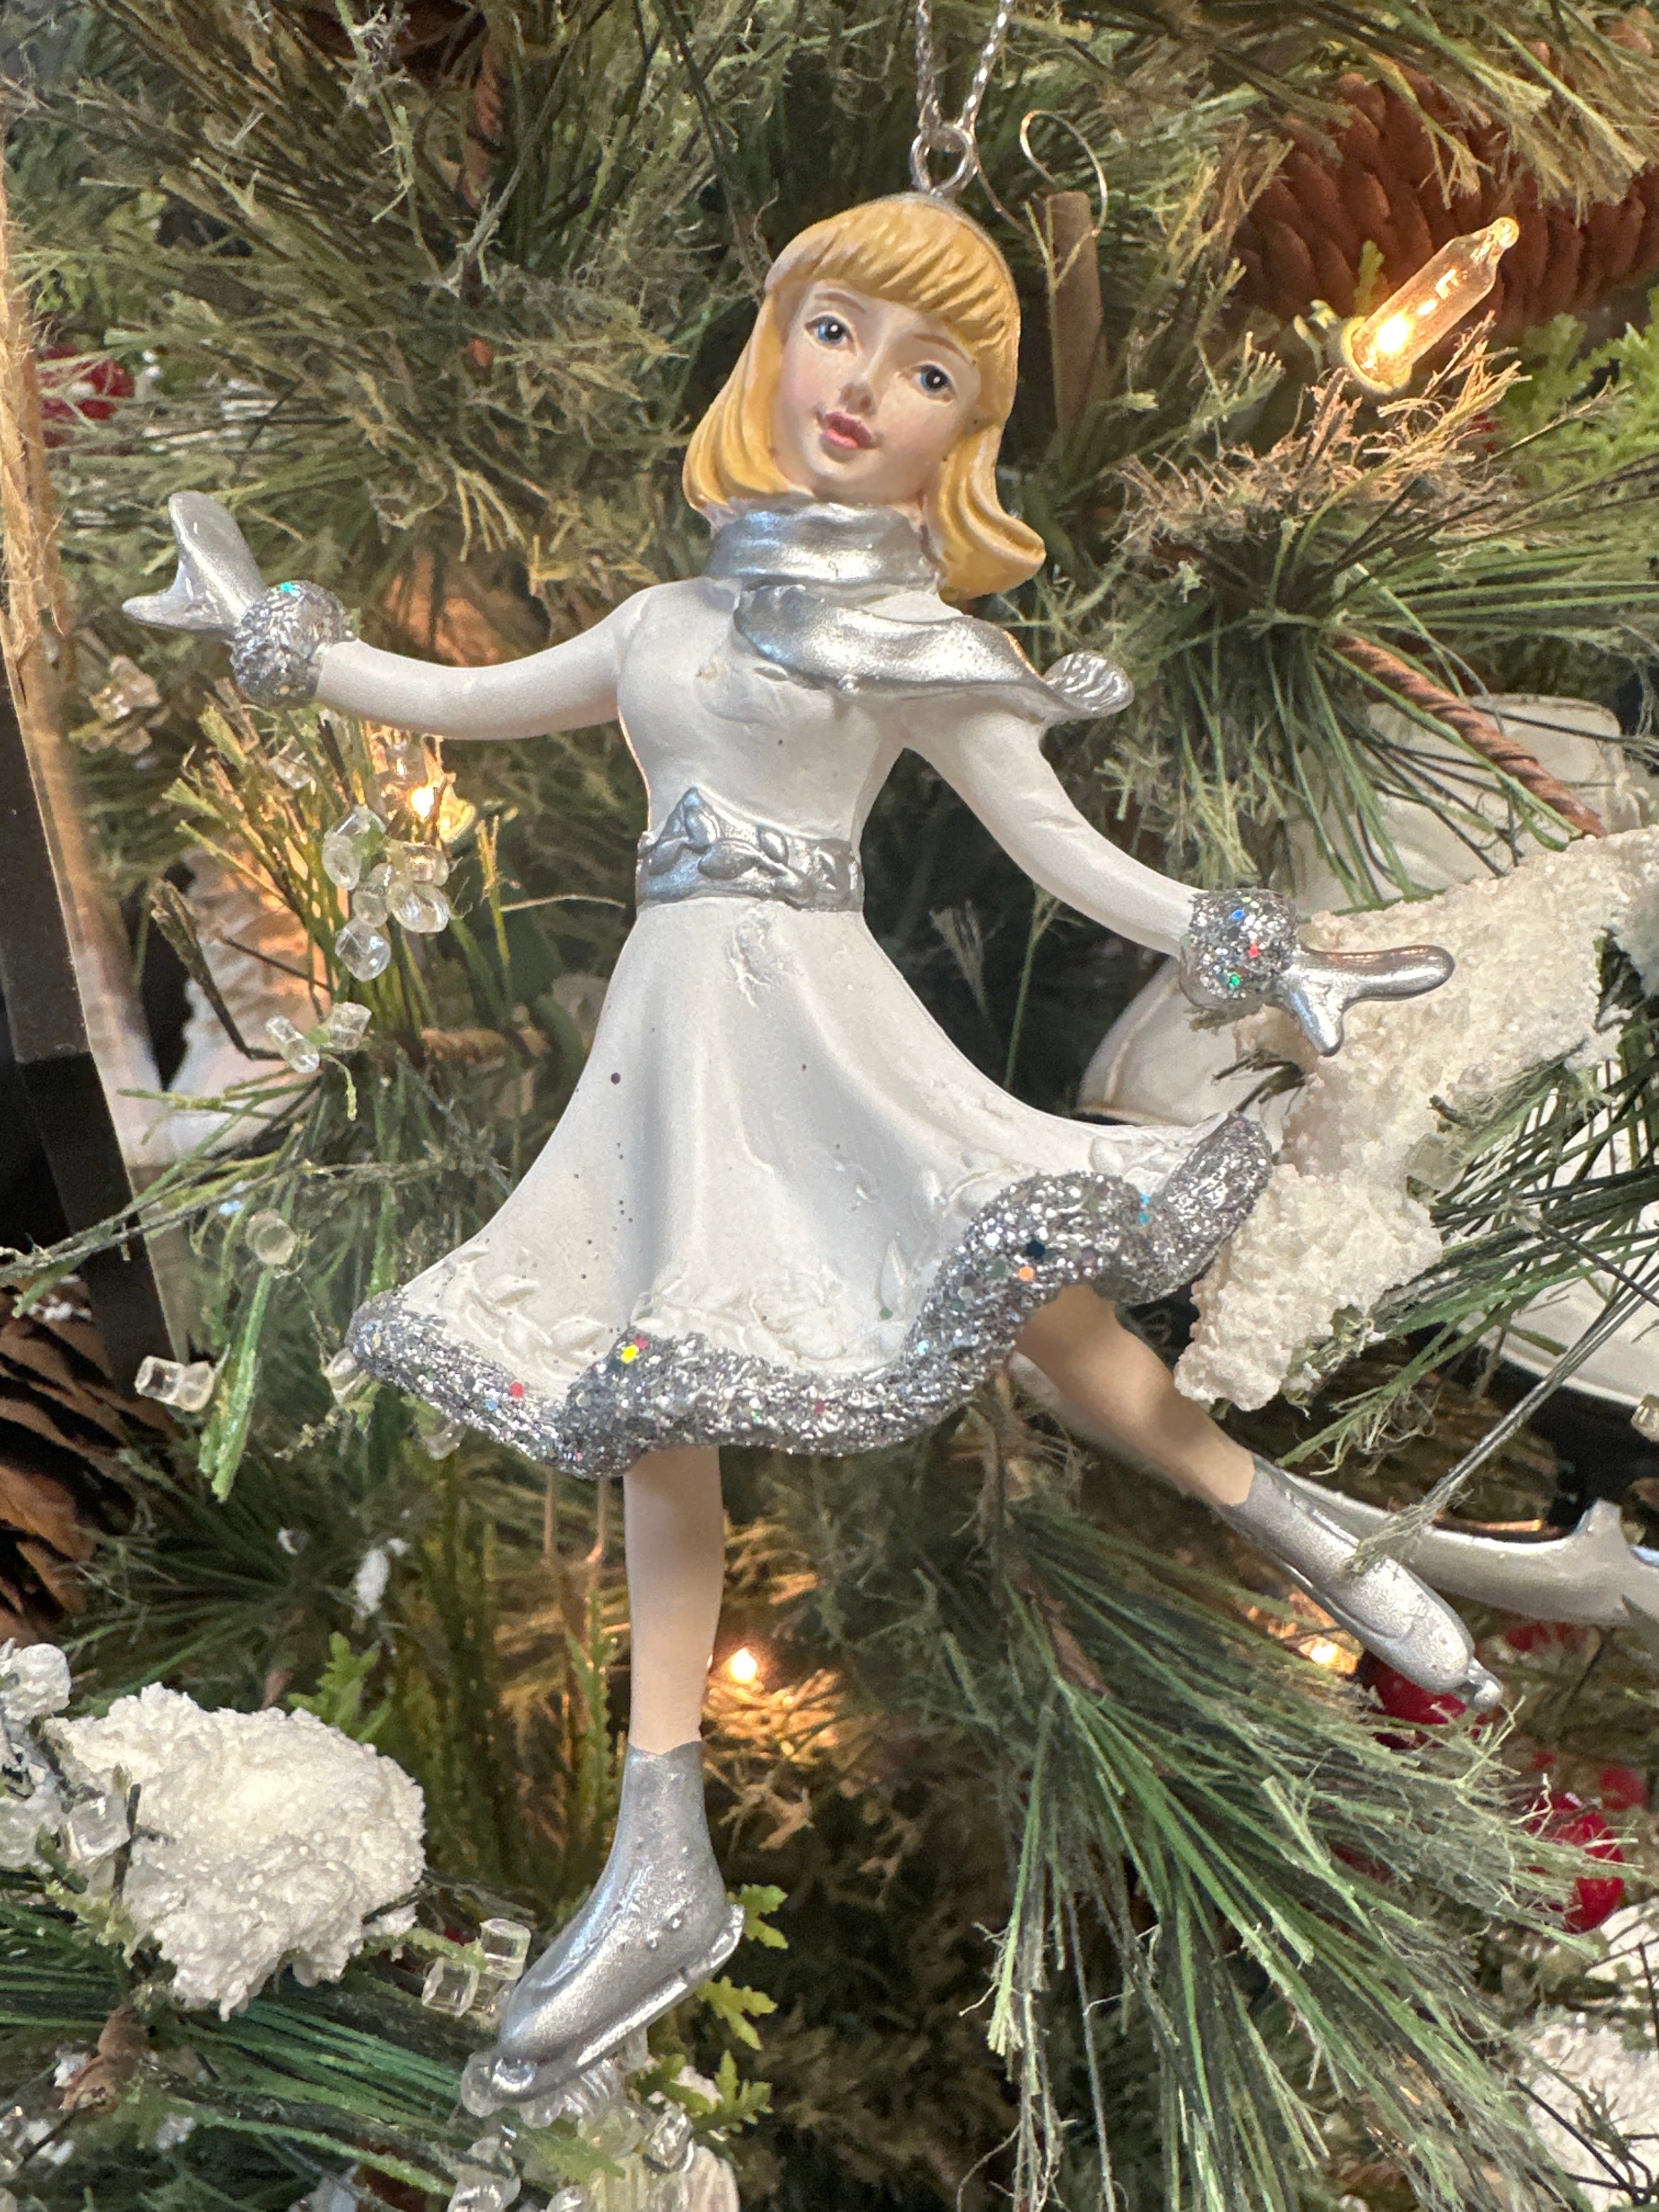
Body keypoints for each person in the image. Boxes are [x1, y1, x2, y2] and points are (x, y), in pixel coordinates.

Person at [126, 191, 1497, 2115]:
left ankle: (1308, 1528)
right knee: (653, 1400)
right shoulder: (669, 618)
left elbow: (1065, 852)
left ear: (966, 436)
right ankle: (659, 1847)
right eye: (836, 331)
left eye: (927, 372)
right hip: (677, 1051)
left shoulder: (916, 645)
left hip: (831, 1029)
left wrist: (1262, 948)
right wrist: (273, 632)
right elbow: (456, 700)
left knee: (1053, 1321)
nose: (861, 387)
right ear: (774, 348)